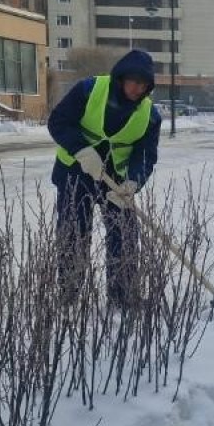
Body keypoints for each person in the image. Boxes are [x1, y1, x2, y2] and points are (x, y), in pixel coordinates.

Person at [48, 49, 161, 310]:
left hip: (116, 183)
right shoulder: (88, 90)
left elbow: (146, 155)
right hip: (76, 173)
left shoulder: (150, 115)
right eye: (133, 81)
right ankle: (69, 295)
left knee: (125, 233)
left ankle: (122, 296)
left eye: (143, 84)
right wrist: (80, 149)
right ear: (121, 78)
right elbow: (58, 122)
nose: (137, 88)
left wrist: (133, 182)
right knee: (74, 233)